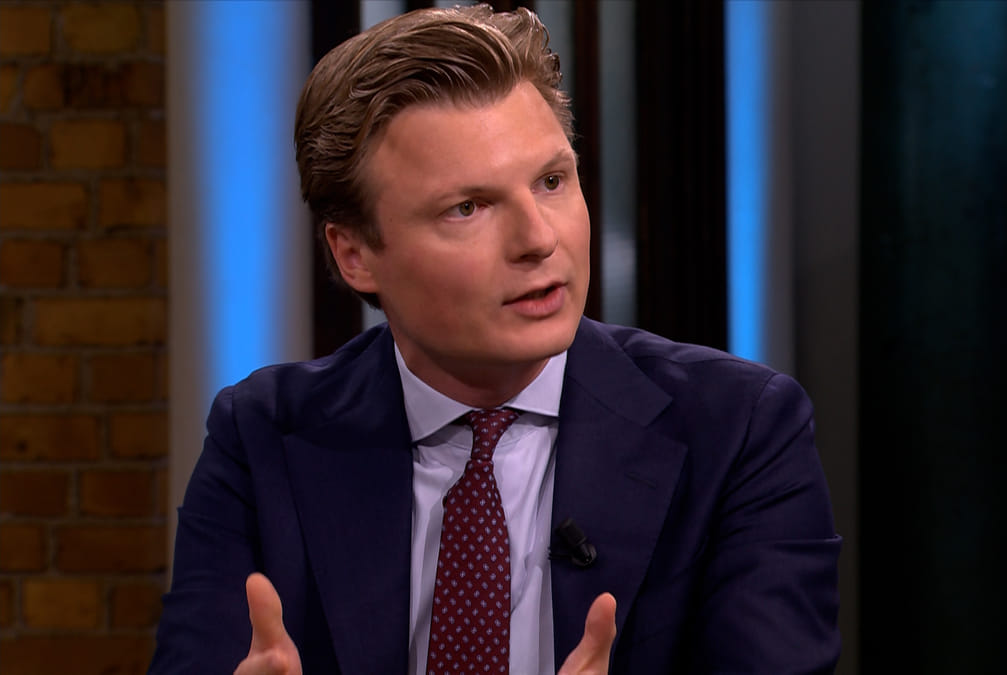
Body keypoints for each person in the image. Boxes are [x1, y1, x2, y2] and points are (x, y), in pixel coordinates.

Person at [150, 4, 841, 674]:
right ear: (354, 253)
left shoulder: (739, 429)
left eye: (552, 181)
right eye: (468, 207)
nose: (539, 239)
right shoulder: (262, 439)